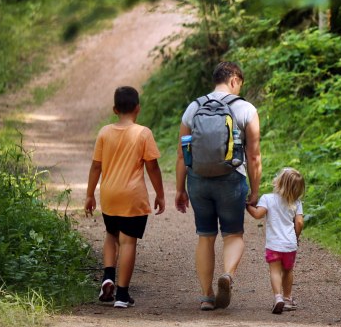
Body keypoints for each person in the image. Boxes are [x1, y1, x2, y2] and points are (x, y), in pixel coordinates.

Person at [175, 62, 262, 311]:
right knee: (233, 234)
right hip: (231, 179)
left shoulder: (193, 108)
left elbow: (183, 154)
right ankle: (228, 275)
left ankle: (206, 295)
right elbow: (254, 156)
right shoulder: (246, 109)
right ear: (234, 80)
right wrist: (254, 191)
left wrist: (180, 189)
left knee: (205, 236)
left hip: (198, 180)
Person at [85, 86, 165, 308]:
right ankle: (121, 295)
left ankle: (108, 276)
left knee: (111, 235)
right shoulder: (143, 133)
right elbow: (153, 168)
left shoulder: (104, 132)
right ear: (137, 108)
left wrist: (90, 194)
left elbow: (95, 167)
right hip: (132, 197)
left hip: (109, 195)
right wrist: (160, 194)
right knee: (128, 241)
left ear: (114, 109)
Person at [246, 167, 305, 314]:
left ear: (278, 182)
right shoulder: (297, 203)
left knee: (275, 271)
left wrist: (247, 205)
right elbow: (299, 223)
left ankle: (278, 297)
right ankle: (287, 299)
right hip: (290, 245)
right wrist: (296, 236)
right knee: (288, 270)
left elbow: (258, 214)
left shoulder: (267, 198)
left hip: (273, 245)